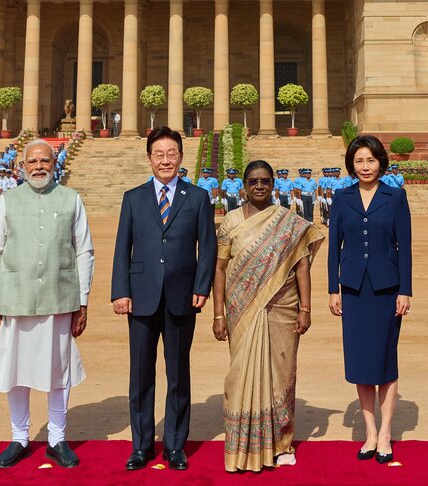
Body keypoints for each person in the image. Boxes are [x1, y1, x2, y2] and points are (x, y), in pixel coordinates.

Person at [111, 126, 217, 473]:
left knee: (177, 374)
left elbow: (208, 247)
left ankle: (174, 445)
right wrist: (120, 291)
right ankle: (141, 446)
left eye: (172, 154)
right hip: (141, 297)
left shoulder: (198, 197)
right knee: (140, 375)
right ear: (149, 158)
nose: (166, 160)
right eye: (159, 154)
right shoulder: (134, 197)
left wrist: (202, 287)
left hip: (182, 296)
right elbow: (122, 249)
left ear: (181, 157)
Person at [0, 140, 93, 470]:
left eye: (45, 160)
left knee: (57, 371)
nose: (39, 166)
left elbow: (83, 252)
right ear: (23, 165)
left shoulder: (71, 199)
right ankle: (19, 436)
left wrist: (82, 301)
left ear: (55, 163)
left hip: (60, 299)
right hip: (15, 299)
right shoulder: (7, 200)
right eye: (33, 161)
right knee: (16, 371)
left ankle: (57, 438)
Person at [213, 159, 324, 472]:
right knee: (240, 375)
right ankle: (243, 445)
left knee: (281, 374)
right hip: (241, 310)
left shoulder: (288, 221)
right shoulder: (230, 221)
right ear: (244, 186)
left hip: (282, 309)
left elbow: (302, 265)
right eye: (253, 181)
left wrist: (306, 308)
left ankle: (281, 443)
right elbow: (219, 268)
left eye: (264, 181)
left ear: (273, 184)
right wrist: (218, 313)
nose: (259, 186)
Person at [328, 134, 412, 466]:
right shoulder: (341, 197)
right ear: (352, 164)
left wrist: (405, 289)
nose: (365, 167)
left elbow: (403, 246)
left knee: (385, 362)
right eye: (359, 161)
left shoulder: (395, 197)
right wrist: (333, 288)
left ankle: (388, 434)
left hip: (387, 290)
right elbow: (335, 244)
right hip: (352, 290)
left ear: (381, 163)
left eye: (371, 160)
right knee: (362, 363)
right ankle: (371, 432)